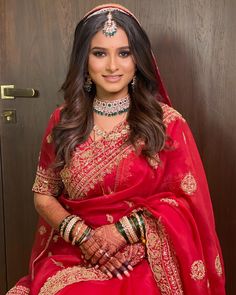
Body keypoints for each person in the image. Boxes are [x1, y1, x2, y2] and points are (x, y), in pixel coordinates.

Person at [7, 3, 225, 295]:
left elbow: (188, 205)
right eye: (100, 54)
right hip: (75, 252)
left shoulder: (167, 124)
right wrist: (86, 238)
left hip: (145, 254)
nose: (112, 66)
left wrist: (121, 233)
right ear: (84, 60)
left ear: (138, 60)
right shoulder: (64, 120)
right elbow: (44, 194)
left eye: (124, 53)